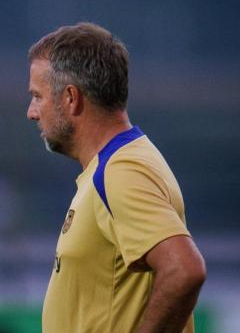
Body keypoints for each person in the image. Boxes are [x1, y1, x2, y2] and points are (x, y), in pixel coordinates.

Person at [26, 22, 206, 332]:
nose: (31, 111)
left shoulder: (121, 171)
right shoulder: (115, 165)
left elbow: (184, 269)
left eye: (38, 96)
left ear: (71, 97)